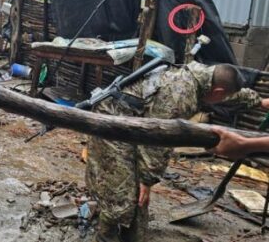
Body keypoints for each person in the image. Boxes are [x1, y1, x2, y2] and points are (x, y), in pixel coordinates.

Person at [86, 62, 269, 242]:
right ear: (217, 92)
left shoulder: (205, 77)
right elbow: (156, 140)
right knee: (120, 193)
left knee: (138, 201)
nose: (222, 100)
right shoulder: (179, 95)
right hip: (114, 124)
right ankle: (105, 235)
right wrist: (146, 180)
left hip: (139, 122)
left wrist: (260, 102)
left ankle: (131, 234)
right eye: (221, 96)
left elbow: (231, 95)